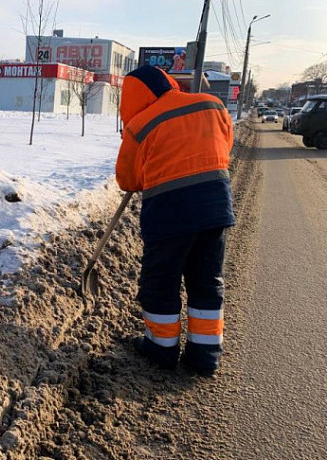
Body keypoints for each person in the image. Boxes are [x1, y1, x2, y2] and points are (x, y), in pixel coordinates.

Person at [116, 65, 235, 376]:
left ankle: (160, 349)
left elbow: (127, 179)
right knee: (206, 280)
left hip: (169, 213)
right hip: (214, 206)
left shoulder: (139, 125)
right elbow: (224, 145)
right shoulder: (212, 104)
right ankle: (204, 355)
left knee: (161, 281)